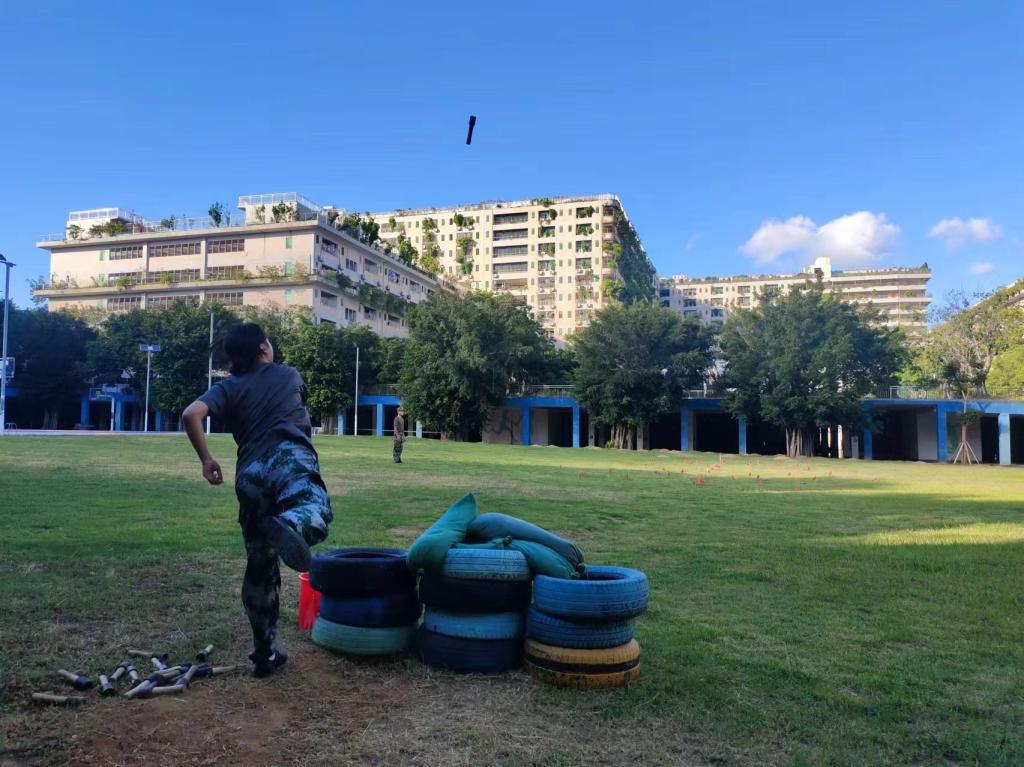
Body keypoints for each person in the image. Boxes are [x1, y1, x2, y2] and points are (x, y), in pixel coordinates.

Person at [182, 323, 333, 678]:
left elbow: (191, 414)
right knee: (315, 511)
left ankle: (264, 654)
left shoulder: (228, 387)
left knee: (260, 568)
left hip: (250, 476)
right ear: (264, 348)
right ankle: (290, 525)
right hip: (288, 459)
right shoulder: (288, 374)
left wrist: (207, 460)